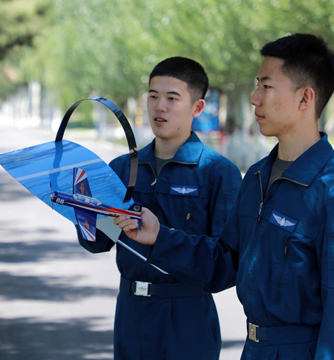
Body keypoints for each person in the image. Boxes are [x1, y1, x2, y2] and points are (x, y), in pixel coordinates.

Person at [115, 34, 334, 359]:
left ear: (305, 98)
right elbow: (226, 262)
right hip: (256, 348)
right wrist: (159, 237)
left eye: (267, 87)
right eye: (257, 85)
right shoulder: (258, 177)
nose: (255, 98)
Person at [76, 57, 242, 359]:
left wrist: (161, 238)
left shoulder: (217, 173)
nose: (159, 106)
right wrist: (81, 208)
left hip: (186, 319)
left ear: (198, 108)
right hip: (130, 314)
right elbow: (98, 243)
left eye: (172, 98)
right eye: (152, 96)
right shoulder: (122, 168)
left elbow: (226, 267)